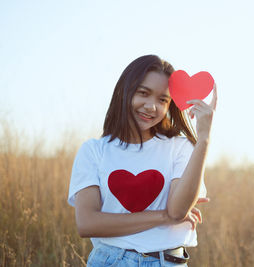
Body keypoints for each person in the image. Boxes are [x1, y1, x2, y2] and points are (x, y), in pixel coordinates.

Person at [67, 55, 217, 267]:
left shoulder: (180, 147)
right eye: (143, 93)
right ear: (125, 91)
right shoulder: (94, 151)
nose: (151, 106)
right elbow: (87, 223)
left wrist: (204, 139)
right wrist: (162, 217)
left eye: (162, 100)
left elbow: (177, 211)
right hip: (110, 261)